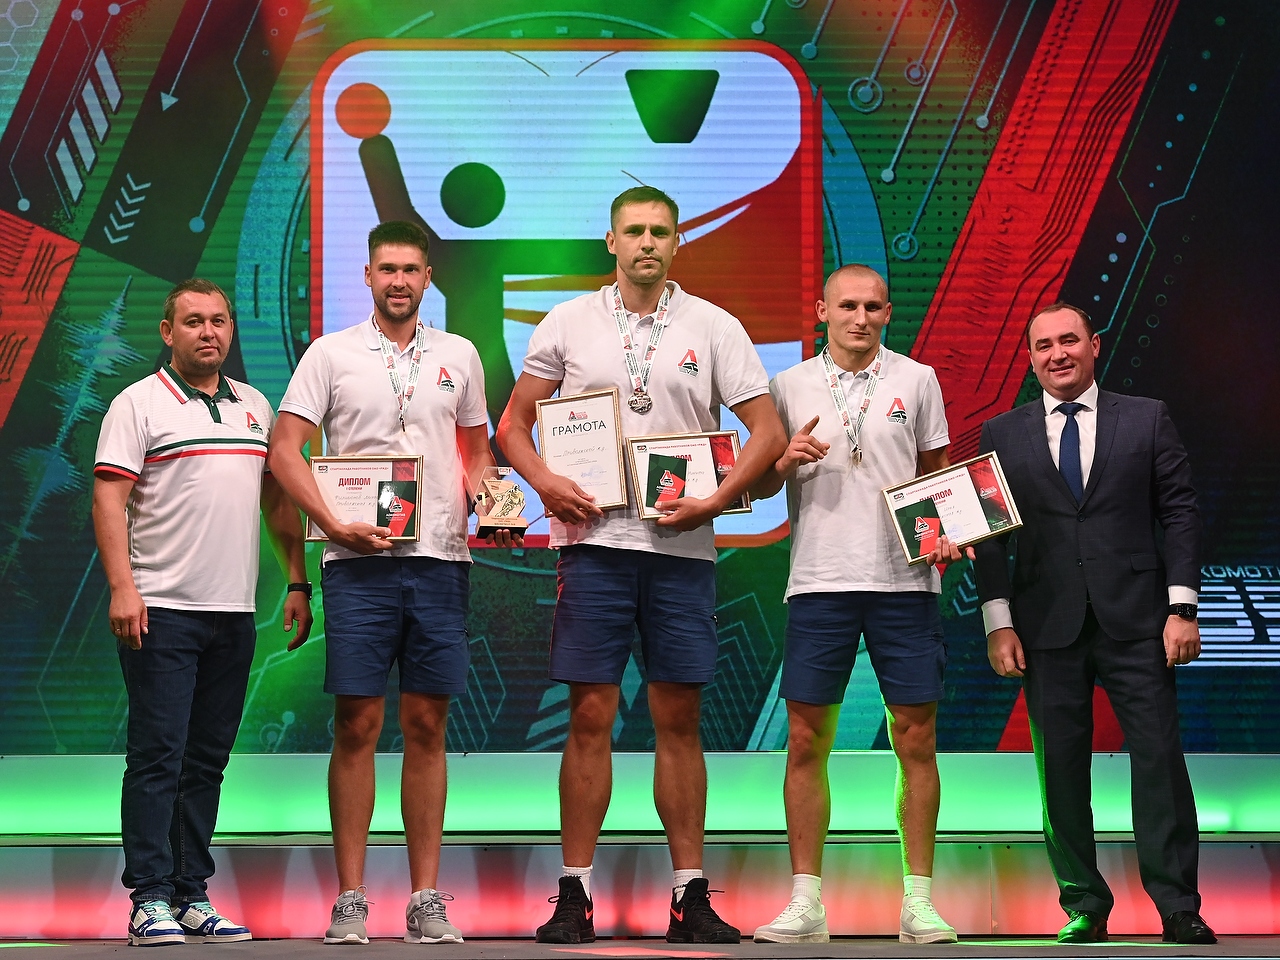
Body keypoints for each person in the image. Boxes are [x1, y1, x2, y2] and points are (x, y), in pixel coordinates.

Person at [496, 185, 786, 944]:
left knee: (678, 719)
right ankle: (574, 893)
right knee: (589, 715)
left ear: (678, 241)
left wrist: (715, 498)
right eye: (634, 231)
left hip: (681, 550)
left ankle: (690, 896)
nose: (647, 242)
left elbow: (766, 431)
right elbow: (513, 424)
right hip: (593, 547)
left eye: (660, 230)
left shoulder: (714, 325)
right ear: (612, 241)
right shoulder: (567, 321)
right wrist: (545, 482)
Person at [267, 220, 518, 945]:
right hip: (357, 565)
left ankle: (425, 899)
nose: (399, 281)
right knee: (357, 725)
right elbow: (285, 451)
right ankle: (351, 899)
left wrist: (497, 505)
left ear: (429, 277)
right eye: (388, 269)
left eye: (411, 269)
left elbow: (475, 452)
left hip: (440, 562)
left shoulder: (459, 354)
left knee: (428, 726)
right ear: (368, 276)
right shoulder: (330, 354)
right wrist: (331, 525)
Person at [972, 302, 1215, 944]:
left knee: (1159, 762)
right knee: (1060, 772)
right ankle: (1084, 904)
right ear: (1030, 358)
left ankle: (1178, 906)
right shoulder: (1001, 432)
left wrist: (1181, 607)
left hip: (1139, 620)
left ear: (1094, 345)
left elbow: (1180, 512)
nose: (1058, 354)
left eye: (1069, 340)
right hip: (1044, 624)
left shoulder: (1147, 417)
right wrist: (998, 622)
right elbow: (989, 538)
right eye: (1044, 345)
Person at [748, 264, 964, 945]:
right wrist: (785, 461)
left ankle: (919, 902)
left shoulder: (918, 379)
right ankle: (805, 902)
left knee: (916, 739)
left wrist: (947, 531)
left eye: (873, 307)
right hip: (820, 581)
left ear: (888, 313)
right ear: (822, 311)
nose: (860, 318)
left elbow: (938, 473)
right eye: (847, 306)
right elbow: (759, 484)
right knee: (806, 741)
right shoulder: (788, 385)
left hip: (906, 583)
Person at [93, 279, 313, 946]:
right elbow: (108, 501)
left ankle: (191, 895)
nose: (208, 331)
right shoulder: (137, 404)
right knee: (157, 757)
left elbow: (276, 502)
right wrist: (122, 587)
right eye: (193, 321)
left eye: (218, 320)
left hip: (233, 615)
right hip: (161, 610)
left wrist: (297, 581)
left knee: (207, 762)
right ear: (168, 332)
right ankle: (148, 899)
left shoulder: (254, 406)